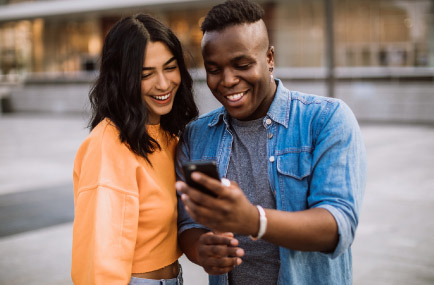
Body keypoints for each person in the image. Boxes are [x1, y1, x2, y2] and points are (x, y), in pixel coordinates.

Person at [175, 0, 367, 284]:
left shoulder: (326, 120)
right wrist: (201, 250)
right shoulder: (197, 134)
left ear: (269, 59)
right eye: (214, 69)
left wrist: (254, 221)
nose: (227, 80)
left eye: (242, 64)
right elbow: (189, 225)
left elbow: (338, 226)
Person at [71, 13, 199, 284]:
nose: (163, 84)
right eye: (146, 74)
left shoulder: (168, 137)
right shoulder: (107, 147)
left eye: (170, 67)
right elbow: (99, 261)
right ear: (123, 79)